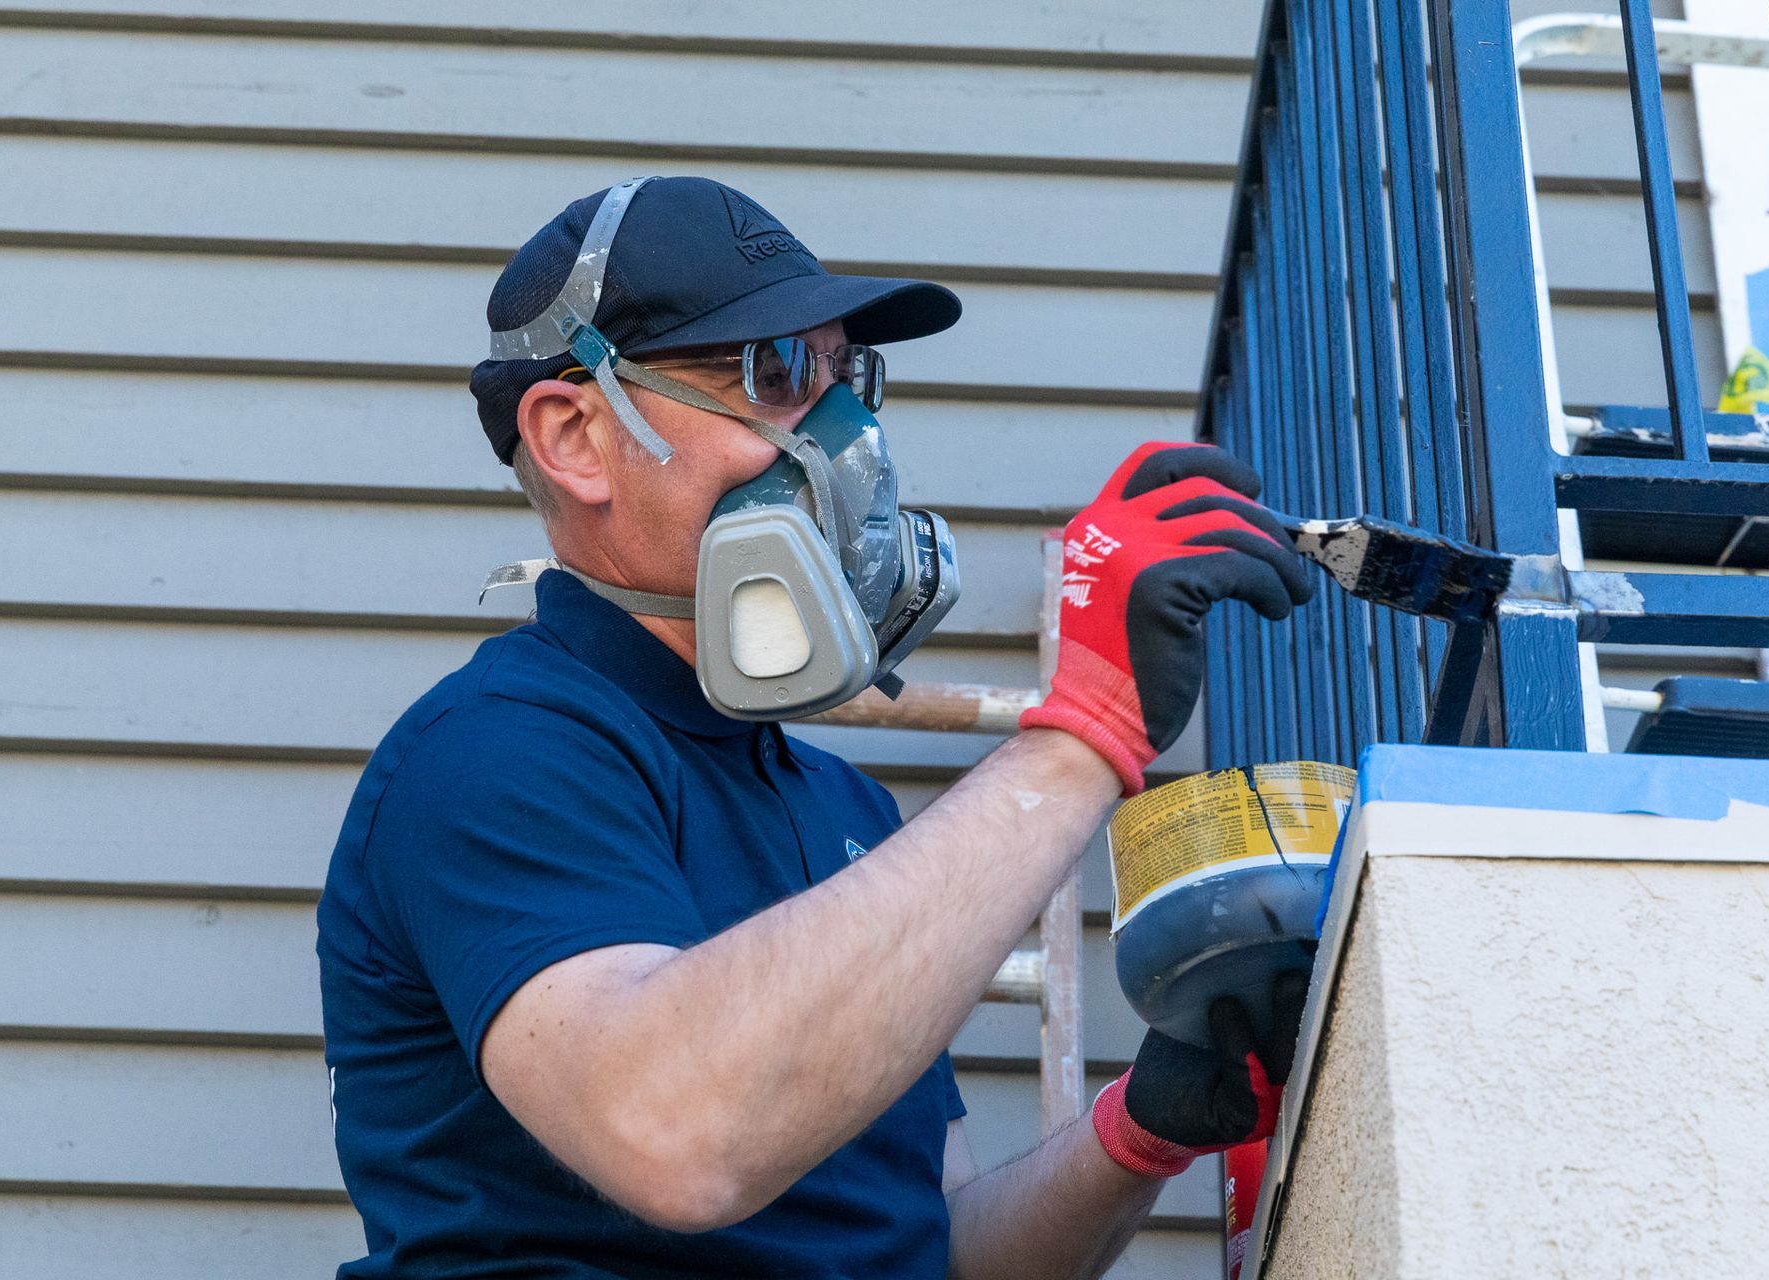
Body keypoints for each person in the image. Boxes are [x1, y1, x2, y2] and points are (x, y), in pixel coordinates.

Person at [316, 176, 1313, 1279]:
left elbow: (928, 1251)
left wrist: (1144, 1129)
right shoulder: (494, 753)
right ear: (576, 438)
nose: (851, 439)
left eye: (854, 378)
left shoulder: (845, 810)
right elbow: (679, 1135)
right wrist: (1086, 732)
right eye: (778, 375)